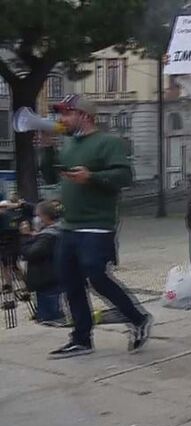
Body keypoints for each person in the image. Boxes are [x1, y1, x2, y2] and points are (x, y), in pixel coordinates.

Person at [39, 94, 152, 359]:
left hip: (97, 225)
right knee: (70, 281)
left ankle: (138, 319)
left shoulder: (108, 142)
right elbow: (49, 176)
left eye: (67, 114)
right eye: (60, 115)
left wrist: (92, 177)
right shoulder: (67, 145)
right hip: (69, 226)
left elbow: (124, 176)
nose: (61, 120)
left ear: (84, 116)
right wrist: (46, 149)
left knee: (97, 277)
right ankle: (81, 339)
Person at [20, 201, 66, 326]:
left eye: (37, 215)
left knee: (50, 318)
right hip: (51, 277)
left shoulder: (48, 236)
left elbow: (30, 254)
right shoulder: (58, 230)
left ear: (45, 216)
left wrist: (25, 238)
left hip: (47, 279)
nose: (36, 219)